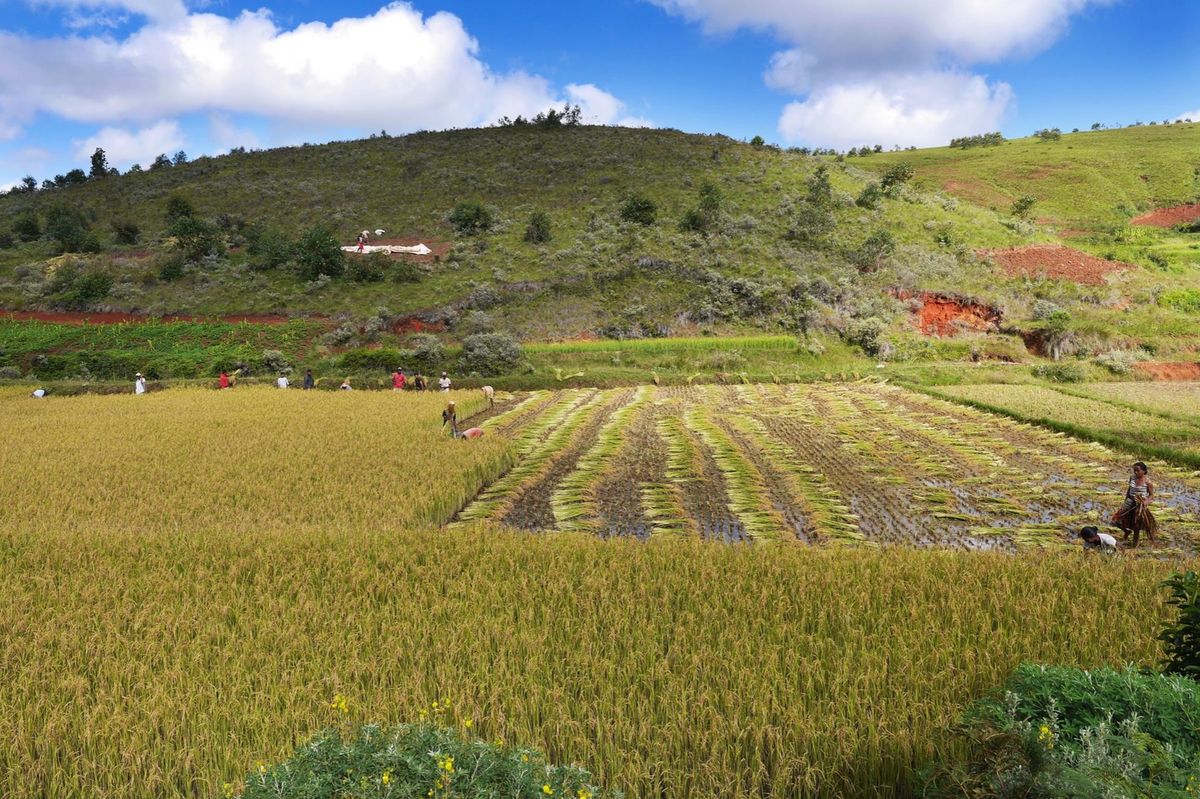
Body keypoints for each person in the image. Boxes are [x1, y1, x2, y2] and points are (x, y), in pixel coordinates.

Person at [1111, 462, 1157, 547]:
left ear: (1144, 471)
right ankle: (1126, 531)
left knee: (1136, 527)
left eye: (1138, 471)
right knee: (1115, 520)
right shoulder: (1132, 478)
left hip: (1139, 506)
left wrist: (1145, 502)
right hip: (1129, 502)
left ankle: (1134, 545)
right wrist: (1125, 501)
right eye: (1134, 470)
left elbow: (1151, 496)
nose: (1136, 472)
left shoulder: (1148, 482)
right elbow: (1129, 490)